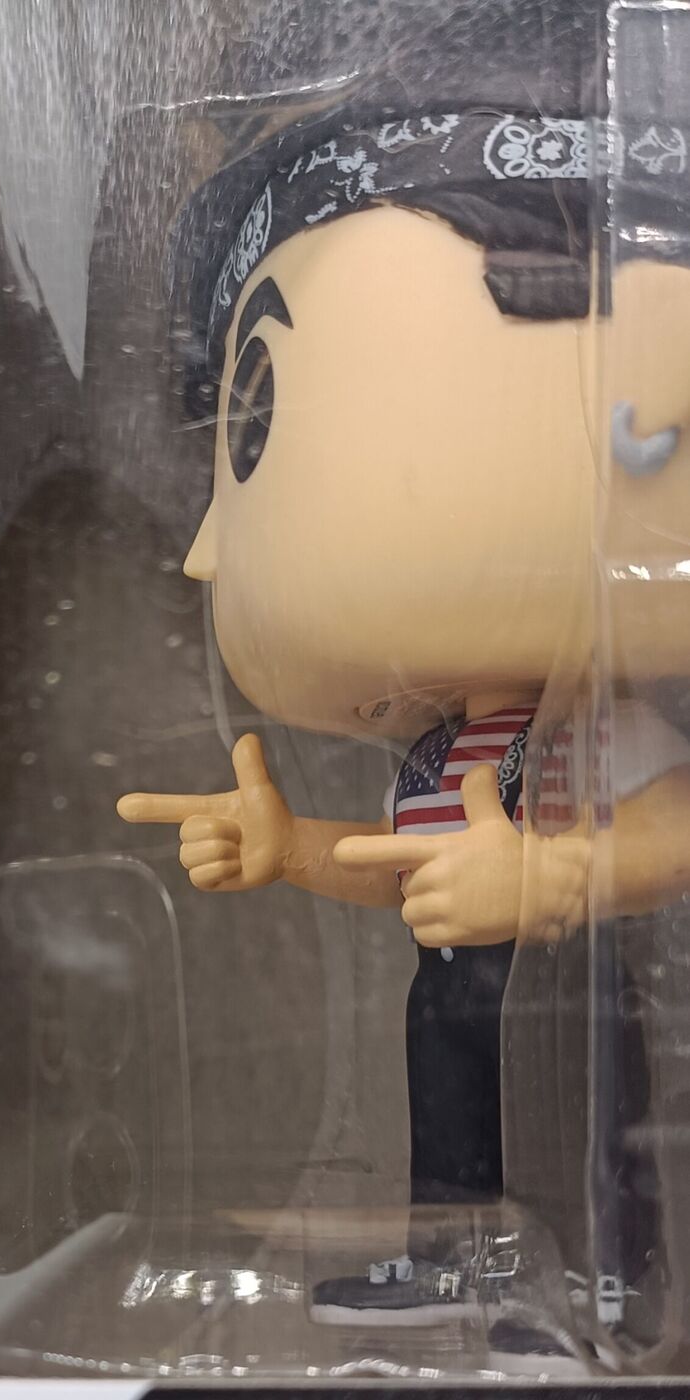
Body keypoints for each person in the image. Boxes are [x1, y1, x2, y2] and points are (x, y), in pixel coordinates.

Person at [118, 96, 690, 1338]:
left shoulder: (594, 724)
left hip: (564, 983)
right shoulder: (435, 752)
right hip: (450, 985)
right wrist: (290, 849)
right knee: (452, 1117)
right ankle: (457, 1258)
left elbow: (675, 827)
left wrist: (551, 876)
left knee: (583, 1123)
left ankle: (606, 1286)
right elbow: (395, 868)